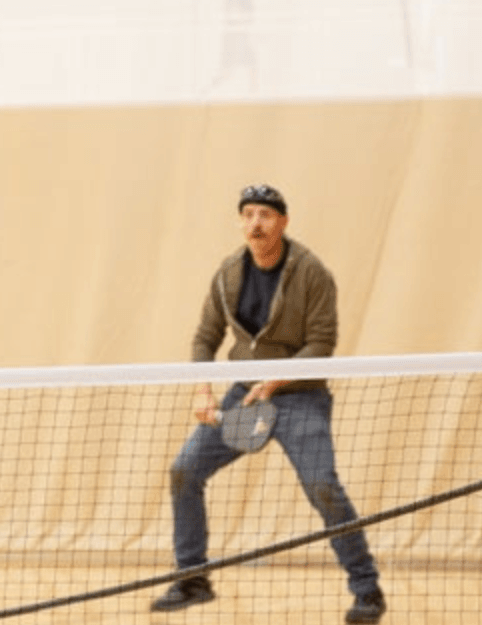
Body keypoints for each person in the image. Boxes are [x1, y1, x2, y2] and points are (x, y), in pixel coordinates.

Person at [149, 184, 385, 624]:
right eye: (249, 214)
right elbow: (205, 337)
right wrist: (203, 389)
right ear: (241, 221)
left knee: (322, 486)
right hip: (245, 399)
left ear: (283, 222)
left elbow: (322, 343)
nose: (256, 223)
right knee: (185, 470)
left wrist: (275, 381)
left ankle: (366, 588)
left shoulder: (312, 272)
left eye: (266, 215)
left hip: (300, 400)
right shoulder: (227, 274)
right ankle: (193, 579)